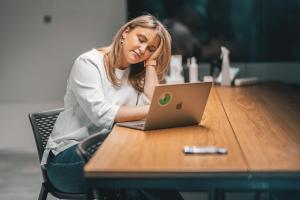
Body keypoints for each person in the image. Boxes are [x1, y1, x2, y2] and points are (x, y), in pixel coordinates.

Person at [41, 14, 184, 200]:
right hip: (68, 161)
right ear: (126, 32)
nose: (143, 49)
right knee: (133, 168)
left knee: (136, 170)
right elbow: (101, 115)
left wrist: (150, 64)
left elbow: (154, 102)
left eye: (150, 48)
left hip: (112, 154)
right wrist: (155, 111)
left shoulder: (135, 72)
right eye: (141, 39)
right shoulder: (88, 63)